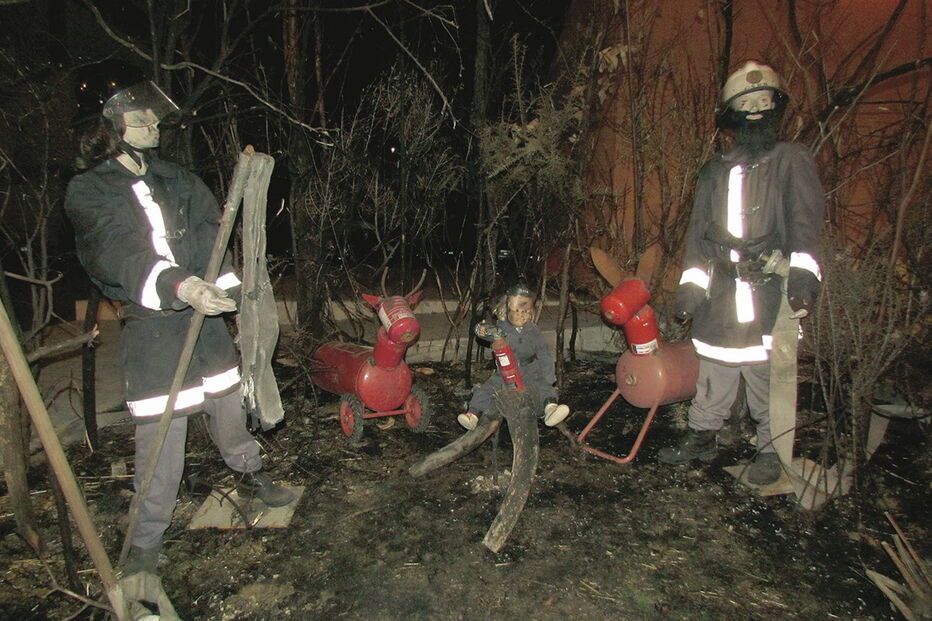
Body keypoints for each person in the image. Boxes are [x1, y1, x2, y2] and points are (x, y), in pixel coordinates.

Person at [64, 64, 294, 577]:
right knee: (161, 437)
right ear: (108, 126)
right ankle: (146, 537)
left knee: (228, 406)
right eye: (138, 116)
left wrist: (235, 297)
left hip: (207, 322)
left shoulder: (179, 179)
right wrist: (179, 286)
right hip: (154, 326)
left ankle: (248, 471)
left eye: (152, 116)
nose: (152, 125)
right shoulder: (90, 191)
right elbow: (114, 251)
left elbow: (215, 241)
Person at [658, 60, 824, 485]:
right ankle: (702, 435)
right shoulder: (714, 171)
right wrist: (691, 294)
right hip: (723, 296)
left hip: (770, 292)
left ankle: (771, 448)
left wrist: (803, 281)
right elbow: (697, 238)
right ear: (732, 113)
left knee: (768, 377)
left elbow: (806, 227)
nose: (754, 109)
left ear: (774, 107)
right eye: (744, 102)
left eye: (762, 100)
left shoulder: (791, 160)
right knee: (715, 368)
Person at [457, 282, 571, 430]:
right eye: (516, 310)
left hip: (530, 369)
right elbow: (481, 331)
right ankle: (473, 414)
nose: (520, 315)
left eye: (525, 311)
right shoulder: (501, 328)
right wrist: (483, 329)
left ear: (530, 312)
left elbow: (544, 353)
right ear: (507, 309)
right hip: (505, 372)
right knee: (487, 388)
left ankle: (550, 409)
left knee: (544, 386)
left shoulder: (533, 330)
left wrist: (549, 376)